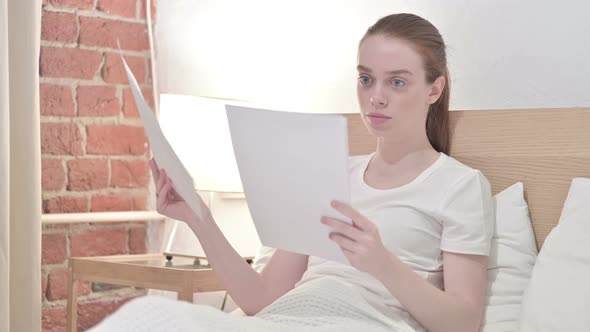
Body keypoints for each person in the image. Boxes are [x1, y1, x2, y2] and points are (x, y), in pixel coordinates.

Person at [90, 13, 493, 332]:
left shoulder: (458, 186)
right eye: (366, 79)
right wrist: (199, 218)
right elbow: (262, 299)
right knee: (148, 316)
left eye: (398, 82)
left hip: (365, 325)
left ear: (434, 90)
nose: (376, 97)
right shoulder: (328, 170)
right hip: (287, 320)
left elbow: (462, 323)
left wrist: (382, 262)